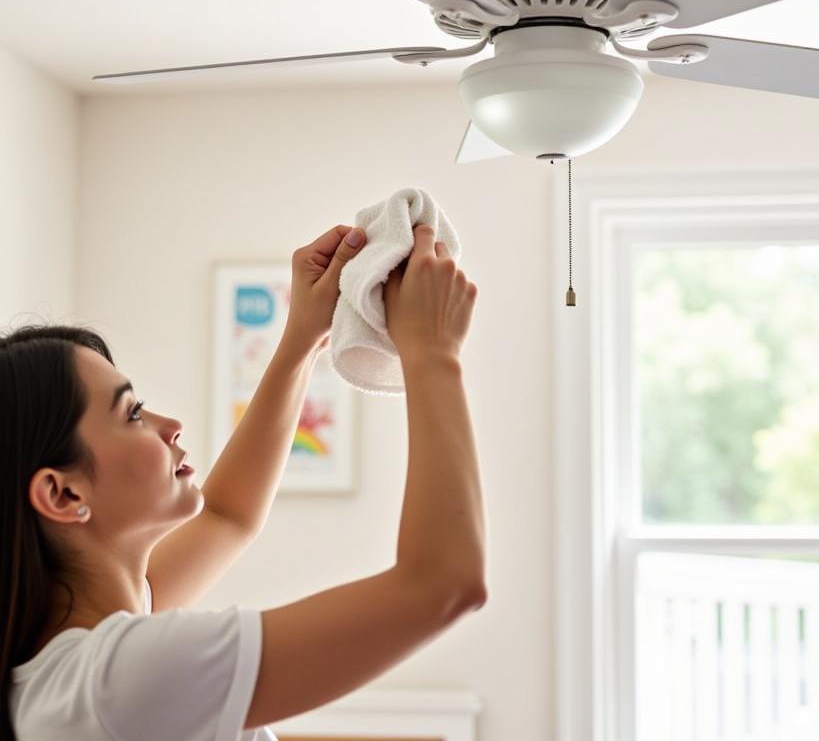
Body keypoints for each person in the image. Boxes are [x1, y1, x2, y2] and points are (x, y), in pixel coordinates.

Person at [0, 222, 486, 740]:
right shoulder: (118, 679)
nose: (170, 425)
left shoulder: (75, 671)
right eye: (133, 413)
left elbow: (228, 515)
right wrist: (433, 353)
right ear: (63, 493)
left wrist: (304, 335)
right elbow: (441, 586)